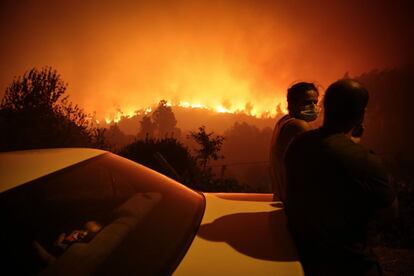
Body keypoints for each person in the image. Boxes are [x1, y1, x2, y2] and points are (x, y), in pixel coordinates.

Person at [285, 79, 397, 275]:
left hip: (305, 254)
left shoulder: (297, 145)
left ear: (324, 107)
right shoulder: (365, 161)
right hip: (348, 262)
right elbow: (390, 213)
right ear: (361, 115)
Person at [270, 82, 319, 203]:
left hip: (283, 200)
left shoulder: (283, 121)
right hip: (296, 205)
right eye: (307, 103)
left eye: (315, 102)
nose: (313, 107)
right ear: (292, 103)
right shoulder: (299, 125)